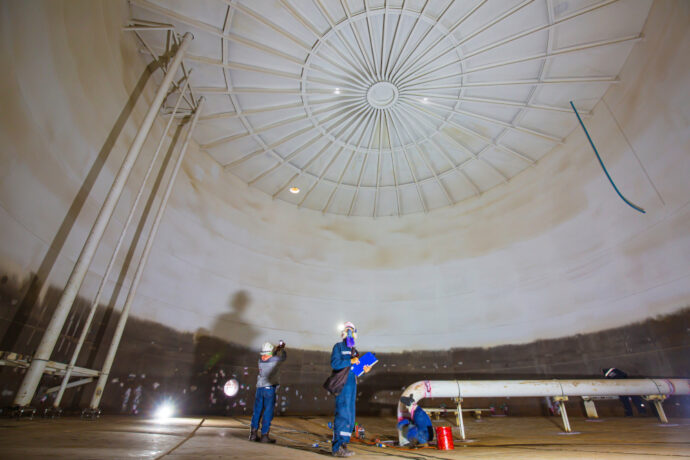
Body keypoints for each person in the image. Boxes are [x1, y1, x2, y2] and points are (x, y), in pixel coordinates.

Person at [331, 322, 371, 457]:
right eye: (347, 330)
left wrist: (364, 369)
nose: (349, 333)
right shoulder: (338, 347)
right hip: (342, 385)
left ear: (355, 333)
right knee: (341, 414)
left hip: (352, 386)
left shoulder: (355, 351)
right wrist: (350, 361)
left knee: (349, 416)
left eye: (351, 330)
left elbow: (355, 370)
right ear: (343, 332)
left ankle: (343, 445)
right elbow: (335, 364)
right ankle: (336, 448)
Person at [249, 340, 286, 443]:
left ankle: (253, 434)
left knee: (257, 411)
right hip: (269, 389)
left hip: (259, 388)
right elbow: (283, 358)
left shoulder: (260, 360)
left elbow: (270, 357)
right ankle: (264, 435)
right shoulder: (274, 360)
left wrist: (276, 350)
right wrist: (282, 349)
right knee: (268, 412)